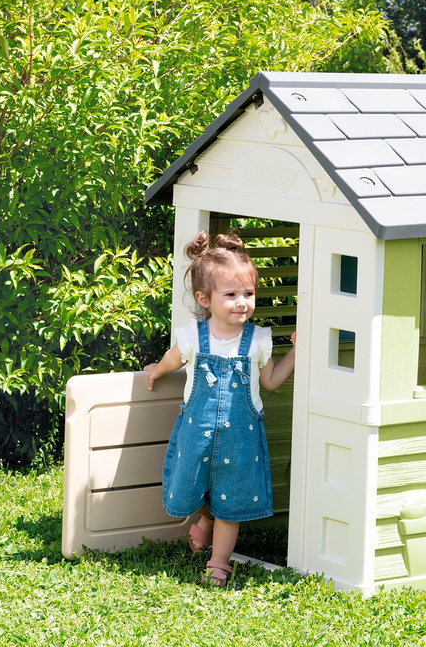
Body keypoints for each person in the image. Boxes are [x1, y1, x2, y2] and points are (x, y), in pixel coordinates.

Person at [145, 231, 296, 587]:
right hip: (196, 434)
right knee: (190, 486)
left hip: (240, 440)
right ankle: (206, 519)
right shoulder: (192, 337)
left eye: (249, 294)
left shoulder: (258, 339)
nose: (242, 302)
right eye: (231, 295)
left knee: (233, 501)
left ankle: (219, 562)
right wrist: (156, 370)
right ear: (205, 299)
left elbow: (271, 381)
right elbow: (172, 360)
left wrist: (296, 352)